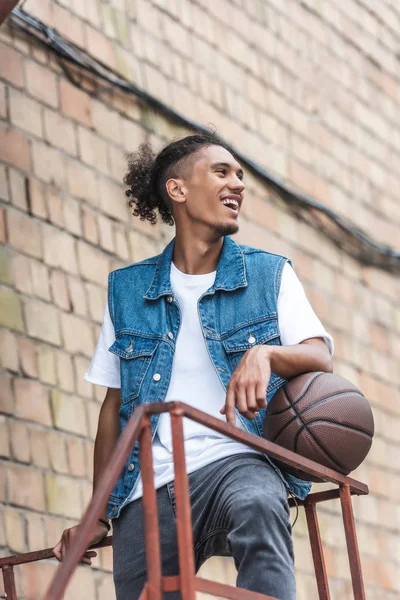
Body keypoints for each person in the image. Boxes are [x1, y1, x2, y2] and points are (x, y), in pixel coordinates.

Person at [53, 132, 334, 600]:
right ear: (177, 189)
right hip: (147, 487)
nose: (238, 184)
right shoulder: (127, 289)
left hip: (237, 461)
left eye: (240, 175)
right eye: (221, 172)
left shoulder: (269, 274)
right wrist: (98, 513)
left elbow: (320, 354)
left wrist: (264, 353)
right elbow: (113, 406)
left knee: (260, 504)